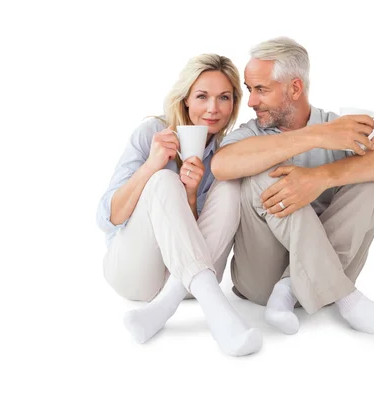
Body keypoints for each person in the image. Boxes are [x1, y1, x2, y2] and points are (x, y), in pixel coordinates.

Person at [211, 37, 374, 341]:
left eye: (261, 90)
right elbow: (222, 165)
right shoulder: (254, 134)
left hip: (328, 270)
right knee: (257, 175)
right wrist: (314, 137)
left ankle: (291, 287)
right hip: (260, 281)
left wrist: (321, 177)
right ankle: (352, 304)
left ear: (294, 88)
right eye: (250, 90)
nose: (251, 101)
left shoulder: (337, 128)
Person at [96, 54, 262, 356]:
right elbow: (108, 217)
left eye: (224, 98)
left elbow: (194, 231)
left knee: (230, 184)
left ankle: (162, 308)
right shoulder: (152, 134)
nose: (213, 108)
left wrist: (191, 193)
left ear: (233, 104)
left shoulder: (224, 153)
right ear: (185, 99)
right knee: (162, 181)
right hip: (134, 274)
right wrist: (151, 166)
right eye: (202, 96)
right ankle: (218, 314)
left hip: (183, 282)